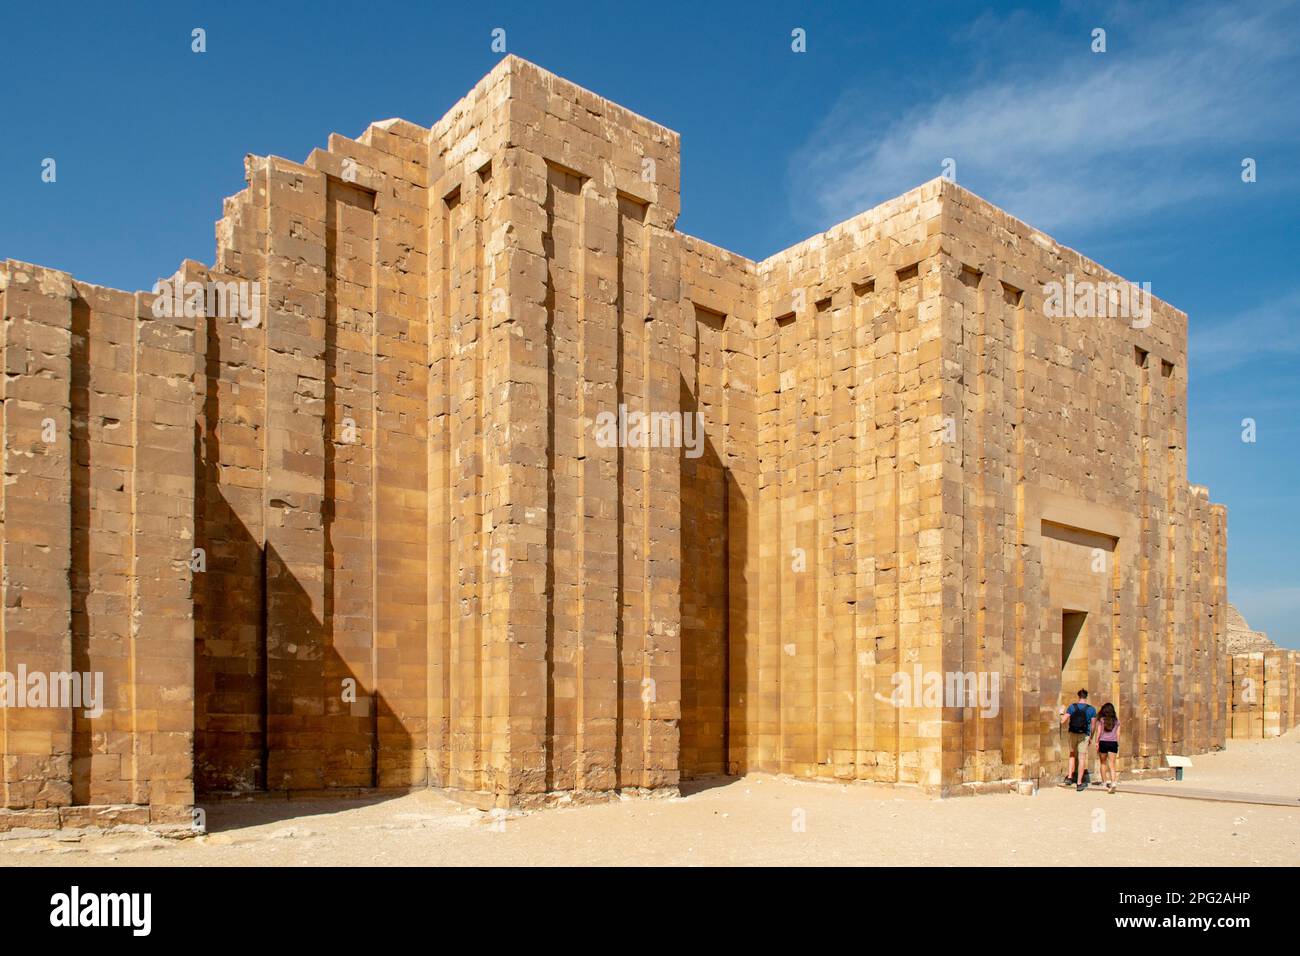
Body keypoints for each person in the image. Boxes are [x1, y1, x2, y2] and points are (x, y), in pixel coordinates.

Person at [1060, 689, 1096, 791]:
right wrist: (1091, 737)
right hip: (1084, 735)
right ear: (1086, 697)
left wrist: (1061, 713)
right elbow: (1093, 725)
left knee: (1072, 754)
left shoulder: (1072, 707)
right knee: (1082, 758)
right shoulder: (1091, 709)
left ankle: (1070, 777)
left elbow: (1063, 721)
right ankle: (1079, 783)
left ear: (1078, 696)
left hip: (1072, 733)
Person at [1092, 702, 1120, 793]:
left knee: (1103, 763)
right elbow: (1118, 734)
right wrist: (1117, 743)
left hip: (1103, 742)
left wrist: (1097, 742)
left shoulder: (1101, 720)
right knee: (1112, 764)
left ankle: (1104, 782)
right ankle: (1113, 782)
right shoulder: (1117, 721)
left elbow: (1099, 732)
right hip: (1113, 743)